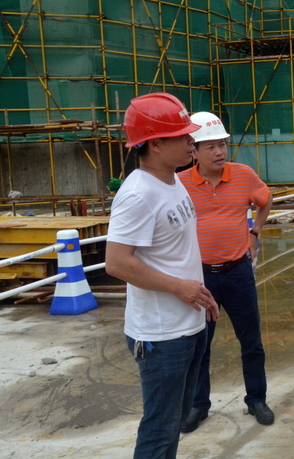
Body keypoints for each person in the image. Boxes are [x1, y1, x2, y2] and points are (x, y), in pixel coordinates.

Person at [105, 92, 219, 458]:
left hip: (189, 324)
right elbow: (117, 262)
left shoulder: (172, 181)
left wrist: (199, 295)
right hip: (161, 336)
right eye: (182, 136)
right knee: (159, 429)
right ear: (155, 144)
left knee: (174, 422)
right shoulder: (137, 194)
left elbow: (177, 253)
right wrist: (181, 288)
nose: (191, 142)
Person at [177, 112, 275, 432]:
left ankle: (256, 399)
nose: (219, 152)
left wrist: (255, 232)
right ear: (193, 151)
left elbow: (265, 200)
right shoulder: (180, 184)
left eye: (222, 145)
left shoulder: (244, 175)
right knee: (200, 345)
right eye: (211, 147)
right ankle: (198, 405)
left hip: (238, 273)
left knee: (251, 341)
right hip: (201, 277)